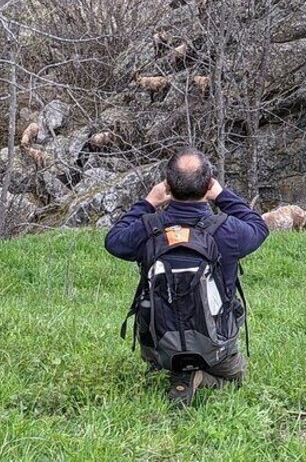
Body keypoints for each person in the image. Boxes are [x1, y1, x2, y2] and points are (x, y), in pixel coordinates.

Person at [105, 148, 268, 406]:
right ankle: (202, 376)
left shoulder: (149, 228)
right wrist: (223, 196)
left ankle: (176, 369)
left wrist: (147, 202)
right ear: (208, 185)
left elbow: (113, 241)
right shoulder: (227, 230)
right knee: (236, 379)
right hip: (217, 348)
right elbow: (259, 227)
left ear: (167, 186)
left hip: (159, 348)